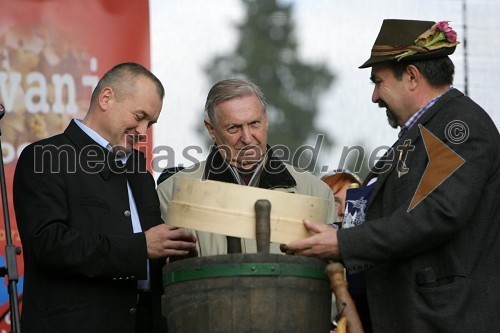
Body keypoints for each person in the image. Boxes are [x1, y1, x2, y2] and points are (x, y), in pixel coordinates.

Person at [282, 19, 500, 332]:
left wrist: (343, 243)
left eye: (378, 82)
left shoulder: (459, 126)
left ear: (412, 76)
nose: (374, 96)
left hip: (443, 319)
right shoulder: (422, 131)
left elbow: (438, 214)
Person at [13, 62, 197, 333]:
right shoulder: (45, 157)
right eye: (139, 116)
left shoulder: (139, 171)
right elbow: (48, 245)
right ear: (106, 98)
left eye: (151, 122)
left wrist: (175, 252)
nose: (144, 132)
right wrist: (140, 247)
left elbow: (153, 252)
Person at [157, 78, 335, 256]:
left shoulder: (317, 193)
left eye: (254, 124)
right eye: (234, 128)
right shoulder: (172, 194)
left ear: (266, 120)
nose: (247, 138)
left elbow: (333, 275)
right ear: (211, 130)